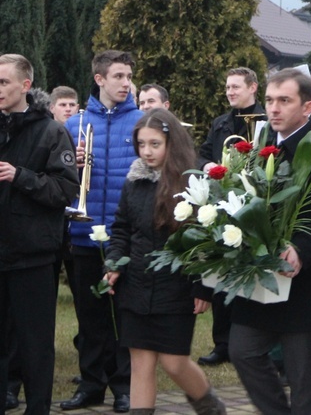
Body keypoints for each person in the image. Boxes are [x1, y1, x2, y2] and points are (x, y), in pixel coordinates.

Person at [228, 68, 311, 414]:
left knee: (304, 379)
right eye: (269, 100)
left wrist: (301, 249)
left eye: (285, 100)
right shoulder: (258, 150)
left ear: (308, 107)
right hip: (260, 278)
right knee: (241, 350)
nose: (274, 108)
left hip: (306, 285)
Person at [102, 108, 224, 415]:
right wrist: (114, 264)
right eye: (141, 144)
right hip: (136, 286)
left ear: (171, 143)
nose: (146, 152)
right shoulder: (134, 181)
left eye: (154, 144)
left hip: (176, 287)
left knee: (173, 362)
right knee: (140, 362)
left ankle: (211, 407)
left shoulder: (192, 183)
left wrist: (202, 287)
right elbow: (122, 228)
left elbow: (205, 239)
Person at [61, 50, 143, 413]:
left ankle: (124, 387)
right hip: (83, 233)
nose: (126, 83)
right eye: (119, 76)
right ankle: (91, 385)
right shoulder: (73, 125)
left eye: (128, 77)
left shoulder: (143, 121)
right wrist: (72, 168)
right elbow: (59, 182)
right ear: (99, 79)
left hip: (126, 237)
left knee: (123, 315)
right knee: (90, 316)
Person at [0, 54, 79, 414]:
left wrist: (21, 177)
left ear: (25, 86)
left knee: (35, 345)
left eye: (3, 82)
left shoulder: (51, 131)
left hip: (31, 257)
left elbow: (65, 191)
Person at [196, 67, 265, 367]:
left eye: (236, 87)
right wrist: (210, 166)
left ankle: (250, 343)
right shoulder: (221, 124)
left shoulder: (266, 122)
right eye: (227, 87)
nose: (230, 92)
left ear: (253, 88)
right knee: (222, 275)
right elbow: (201, 154)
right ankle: (222, 343)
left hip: (256, 207)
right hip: (225, 204)